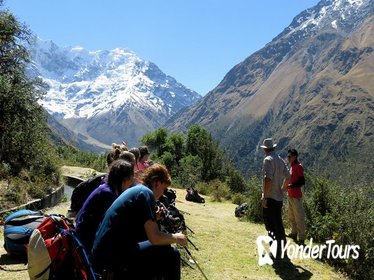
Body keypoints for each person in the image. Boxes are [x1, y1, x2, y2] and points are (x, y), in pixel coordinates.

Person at [91, 164, 187, 280]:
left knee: (161, 251)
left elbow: (132, 223)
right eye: (164, 189)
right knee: (172, 255)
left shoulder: (137, 190)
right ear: (157, 183)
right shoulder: (146, 193)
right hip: (112, 258)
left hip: (102, 254)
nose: (163, 194)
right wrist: (177, 237)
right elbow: (155, 238)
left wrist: (154, 218)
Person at [75, 160, 134, 253]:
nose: (133, 180)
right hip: (85, 241)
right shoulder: (108, 194)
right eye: (131, 176)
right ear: (124, 179)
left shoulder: (107, 188)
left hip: (83, 235)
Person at [260, 138, 290, 257]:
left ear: (266, 149)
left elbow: (268, 179)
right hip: (279, 198)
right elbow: (288, 177)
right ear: (273, 147)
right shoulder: (280, 160)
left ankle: (275, 252)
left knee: (271, 225)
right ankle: (283, 251)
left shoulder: (268, 160)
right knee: (279, 225)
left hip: (270, 198)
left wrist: (265, 197)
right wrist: (282, 189)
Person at [282, 149, 306, 245]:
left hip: (296, 196)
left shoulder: (299, 167)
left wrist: (291, 186)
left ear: (295, 156)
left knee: (299, 217)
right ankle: (294, 233)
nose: (288, 158)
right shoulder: (292, 167)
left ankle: (302, 238)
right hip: (290, 195)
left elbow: (302, 181)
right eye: (288, 156)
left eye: (289, 156)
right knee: (291, 216)